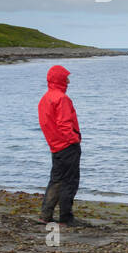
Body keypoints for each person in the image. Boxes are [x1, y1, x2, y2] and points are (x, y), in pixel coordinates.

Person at [38, 65, 87, 226]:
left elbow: (47, 123)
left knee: (56, 179)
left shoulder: (46, 98)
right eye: (66, 77)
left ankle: (46, 214)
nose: (68, 80)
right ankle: (66, 217)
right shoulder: (62, 98)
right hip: (66, 145)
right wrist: (74, 139)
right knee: (70, 181)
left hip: (55, 145)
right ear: (60, 79)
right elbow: (64, 124)